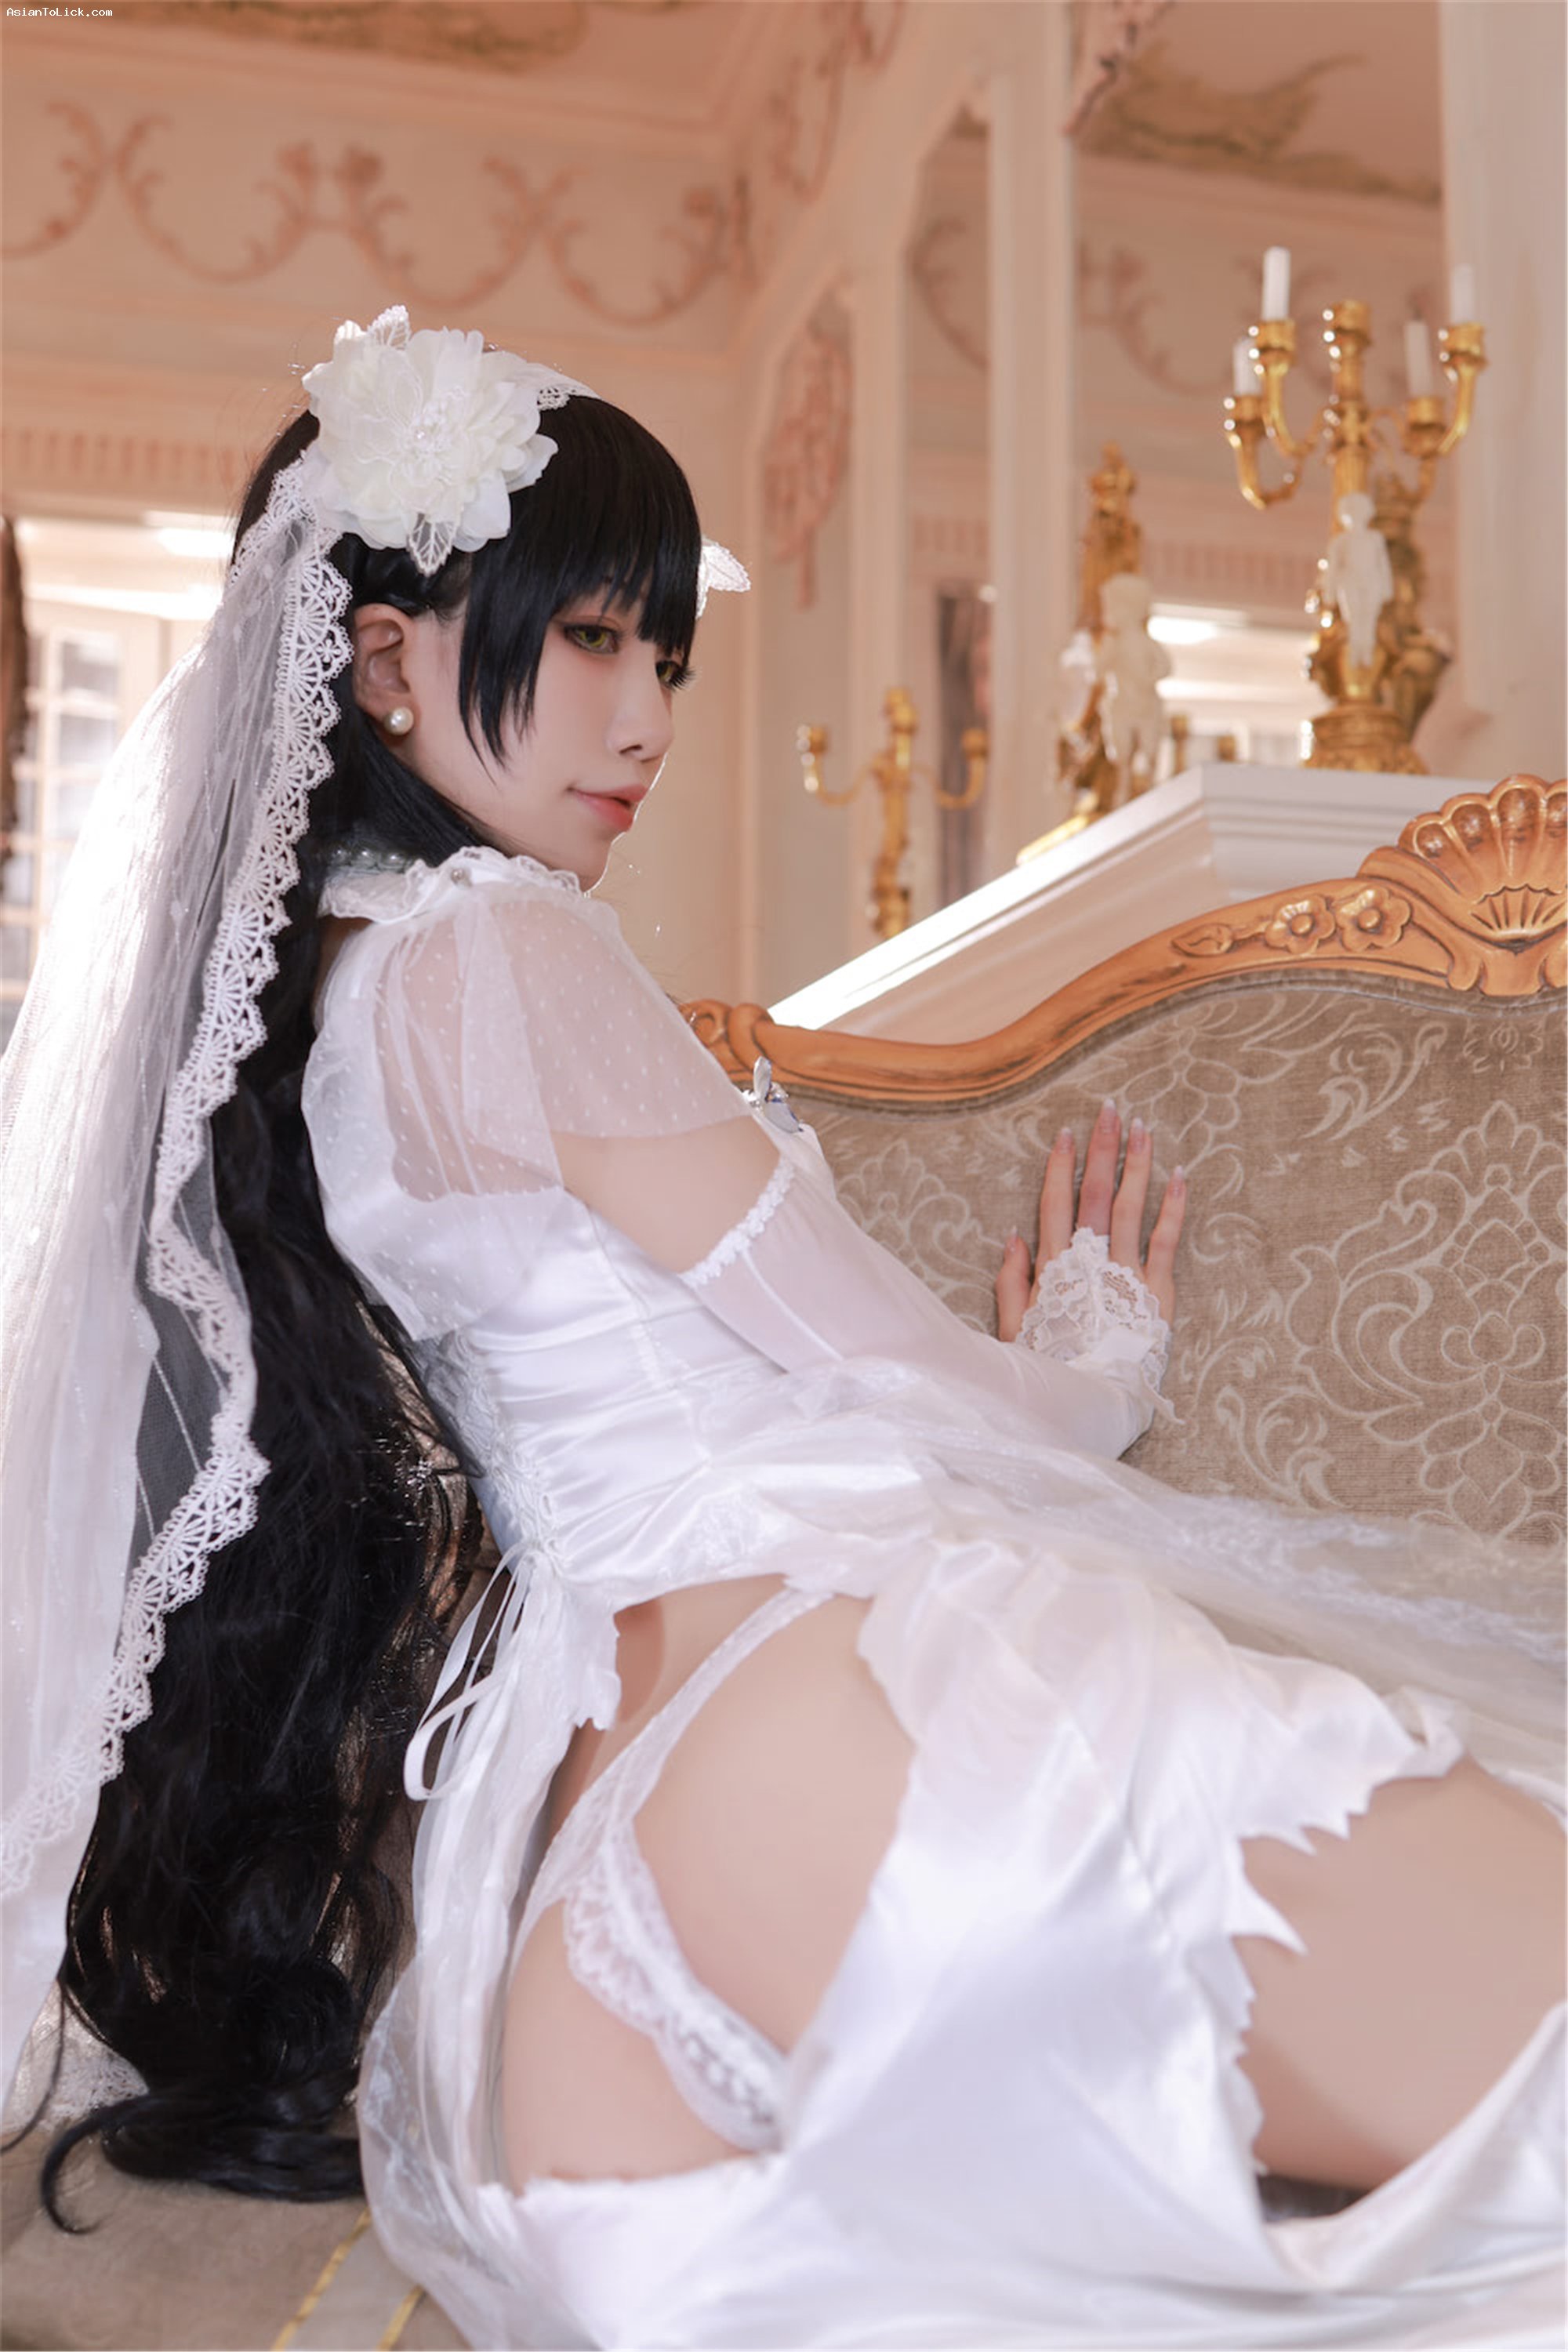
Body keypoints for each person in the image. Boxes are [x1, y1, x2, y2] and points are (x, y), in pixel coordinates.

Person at [1, 310, 1561, 2351]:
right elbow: (895, 1374)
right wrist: (1100, 1353)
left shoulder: (336, 1000)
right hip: (839, 1711)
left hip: (587, 1928)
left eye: (668, 655)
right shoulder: (509, 949)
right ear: (385, 657)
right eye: (589, 640)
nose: (647, 716)